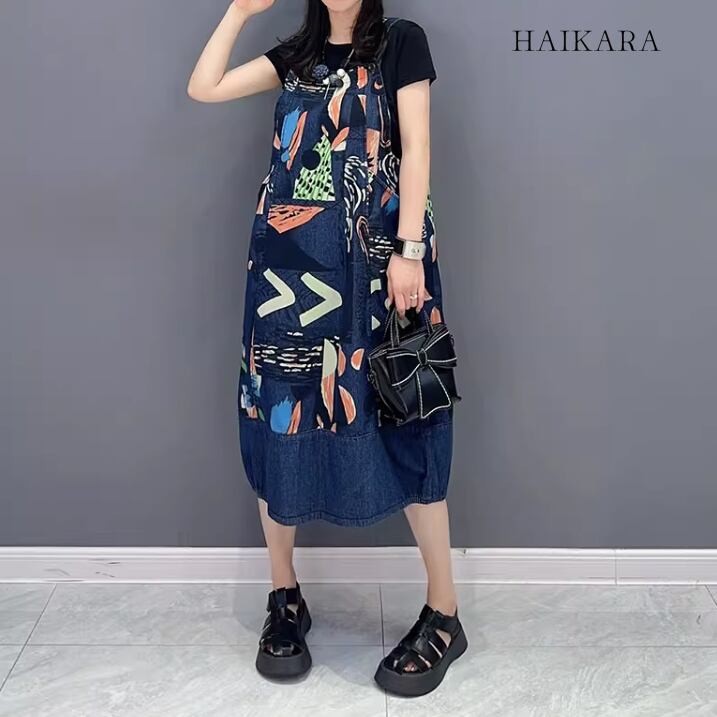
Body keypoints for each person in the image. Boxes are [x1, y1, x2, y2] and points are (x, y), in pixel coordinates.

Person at [188, 0, 466, 696]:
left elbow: (418, 147)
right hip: (288, 278)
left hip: (380, 271)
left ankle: (444, 612)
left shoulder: (401, 42)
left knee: (406, 414)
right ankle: (284, 597)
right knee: (280, 415)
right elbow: (204, 86)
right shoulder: (294, 57)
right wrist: (240, 10)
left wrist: (407, 251)